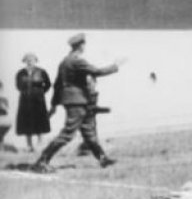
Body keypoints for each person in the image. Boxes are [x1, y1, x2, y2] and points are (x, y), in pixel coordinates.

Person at [34, 34, 124, 173]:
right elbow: (97, 71)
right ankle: (42, 162)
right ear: (81, 46)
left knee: (89, 133)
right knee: (68, 134)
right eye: (83, 45)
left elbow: (57, 85)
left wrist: (54, 105)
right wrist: (115, 66)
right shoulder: (76, 61)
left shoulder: (64, 62)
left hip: (80, 102)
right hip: (77, 102)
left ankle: (103, 159)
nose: (84, 47)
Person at [15, 53, 52, 152]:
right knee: (26, 122)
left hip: (38, 101)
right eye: (27, 60)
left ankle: (40, 144)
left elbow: (48, 84)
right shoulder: (20, 73)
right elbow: (18, 86)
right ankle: (29, 145)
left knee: (39, 120)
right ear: (24, 61)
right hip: (25, 101)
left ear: (36, 61)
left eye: (32, 59)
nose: (30, 61)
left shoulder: (41, 72)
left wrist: (40, 92)